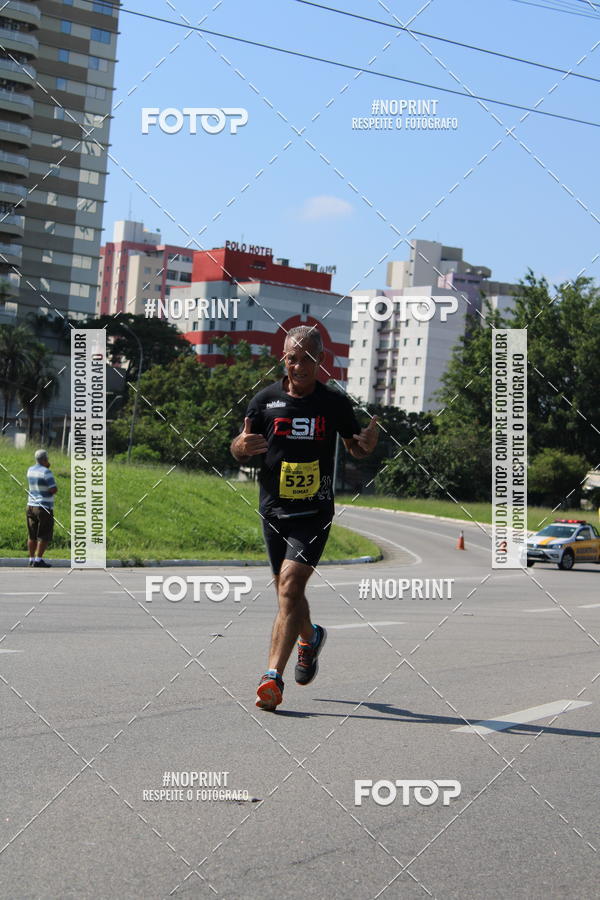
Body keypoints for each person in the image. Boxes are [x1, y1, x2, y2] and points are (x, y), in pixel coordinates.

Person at [230, 325, 379, 710]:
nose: (298, 366)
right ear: (283, 359)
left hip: (314, 512)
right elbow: (239, 446)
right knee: (288, 592)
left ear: (320, 361)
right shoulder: (265, 401)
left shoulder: (333, 403)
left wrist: (365, 446)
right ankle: (310, 637)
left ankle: (271, 678)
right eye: (291, 359)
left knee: (290, 586)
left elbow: (355, 446)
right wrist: (240, 446)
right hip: (273, 511)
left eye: (307, 359)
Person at [26, 449, 57, 568]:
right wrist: (47, 468)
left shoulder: (30, 470)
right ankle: (38, 560)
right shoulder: (46, 472)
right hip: (44, 506)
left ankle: (31, 559)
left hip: (30, 505)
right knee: (44, 534)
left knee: (32, 535)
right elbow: (53, 489)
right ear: (45, 459)